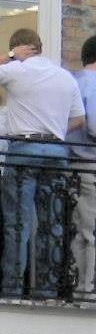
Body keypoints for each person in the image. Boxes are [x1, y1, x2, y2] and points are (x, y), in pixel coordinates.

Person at [0, 28, 83, 299]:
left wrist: (9, 57)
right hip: (56, 152)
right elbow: (79, 120)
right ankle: (47, 290)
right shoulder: (65, 77)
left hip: (24, 149)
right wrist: (55, 129)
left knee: (17, 223)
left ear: (20, 49)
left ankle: (12, 289)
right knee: (52, 223)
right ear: (40, 47)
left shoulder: (17, 70)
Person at [73, 32, 96, 302]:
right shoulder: (92, 83)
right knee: (90, 231)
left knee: (81, 228)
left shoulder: (75, 81)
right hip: (89, 161)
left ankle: (81, 286)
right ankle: (86, 289)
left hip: (73, 161)